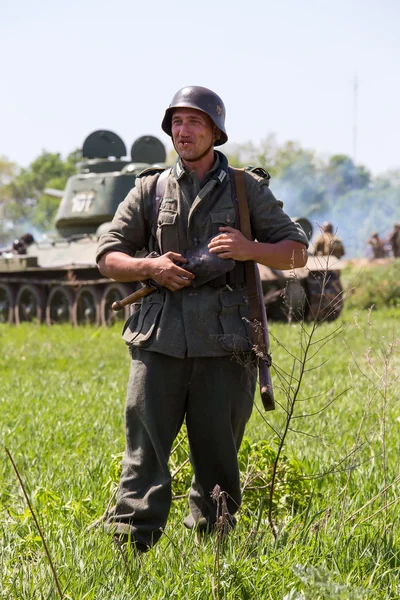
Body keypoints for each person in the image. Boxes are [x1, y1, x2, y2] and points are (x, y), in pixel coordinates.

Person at [96, 85, 309, 551]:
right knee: (144, 456)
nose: (183, 130)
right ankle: (128, 552)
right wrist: (149, 267)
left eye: (194, 122)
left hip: (226, 345)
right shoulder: (149, 188)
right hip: (158, 342)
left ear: (215, 130)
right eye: (176, 122)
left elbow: (295, 252)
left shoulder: (245, 188)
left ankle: (214, 558)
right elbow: (107, 256)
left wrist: (249, 249)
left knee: (218, 459)